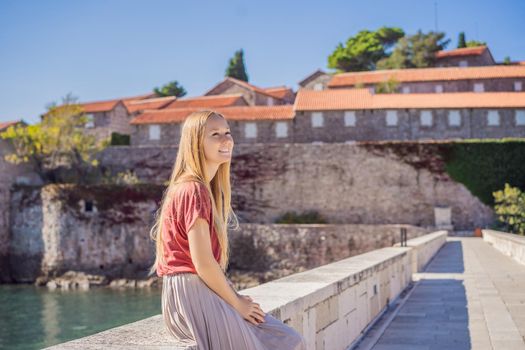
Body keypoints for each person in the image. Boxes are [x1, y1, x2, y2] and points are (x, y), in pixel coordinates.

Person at [148, 110, 307, 349]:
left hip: (190, 292)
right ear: (195, 143)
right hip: (192, 294)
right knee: (287, 341)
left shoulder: (196, 188)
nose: (226, 140)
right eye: (215, 134)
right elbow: (203, 262)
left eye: (227, 132)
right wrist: (237, 303)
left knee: (288, 339)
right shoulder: (194, 189)